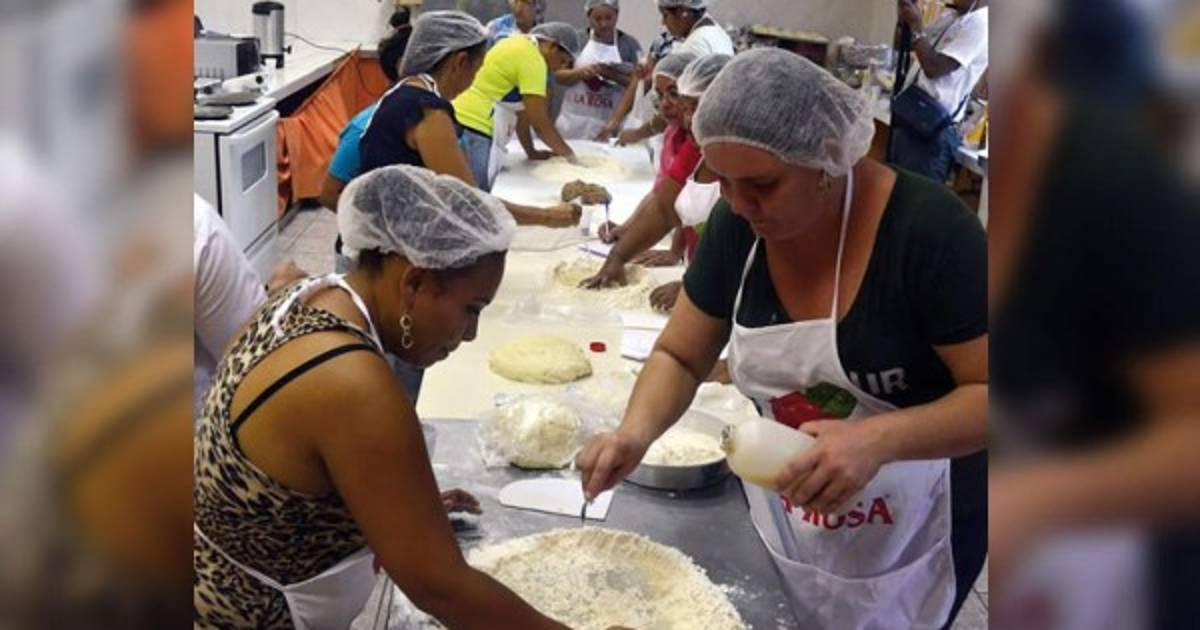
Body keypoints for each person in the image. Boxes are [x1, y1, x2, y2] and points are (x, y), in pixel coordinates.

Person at [576, 49, 988, 630]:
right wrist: (633, 433)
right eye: (723, 182)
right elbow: (680, 355)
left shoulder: (929, 233)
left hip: (914, 525)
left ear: (828, 158)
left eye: (763, 184)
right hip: (792, 514)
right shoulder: (738, 226)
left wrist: (877, 440)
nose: (740, 204)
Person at [194, 166, 614, 629]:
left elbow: (287, 479)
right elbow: (440, 586)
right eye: (471, 309)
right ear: (413, 284)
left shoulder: (304, 295)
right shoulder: (352, 382)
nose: (471, 334)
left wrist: (392, 503)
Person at [359, 11, 580, 228]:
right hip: (390, 241)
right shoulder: (430, 113)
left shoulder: (402, 91)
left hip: (377, 227)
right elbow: (469, 202)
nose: (475, 81)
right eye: (477, 71)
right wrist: (548, 217)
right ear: (460, 62)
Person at [582, 53, 730, 315]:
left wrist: (698, 285)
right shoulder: (697, 147)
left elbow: (749, 252)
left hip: (731, 299)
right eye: (686, 108)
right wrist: (618, 257)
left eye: (696, 108)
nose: (688, 120)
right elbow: (663, 208)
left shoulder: (748, 166)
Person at [453, 22, 581, 191]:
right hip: (476, 128)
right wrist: (571, 157)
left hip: (461, 120)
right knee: (475, 195)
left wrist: (531, 151)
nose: (559, 67)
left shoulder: (517, 44)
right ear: (552, 46)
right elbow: (540, 123)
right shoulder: (533, 60)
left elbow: (523, 115)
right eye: (563, 60)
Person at [889, 0, 988, 181]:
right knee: (894, 189)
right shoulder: (950, 17)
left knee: (915, 195)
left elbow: (934, 67)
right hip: (911, 115)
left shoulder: (981, 25)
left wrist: (916, 24)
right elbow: (902, 44)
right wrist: (904, 17)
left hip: (932, 132)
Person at [318, 23, 412, 212]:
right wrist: (368, 224)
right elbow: (329, 194)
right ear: (403, 66)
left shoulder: (434, 120)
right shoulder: (365, 128)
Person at [554, 0, 642, 140]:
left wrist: (610, 74)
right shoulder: (576, 40)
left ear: (617, 15)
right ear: (588, 17)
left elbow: (639, 84)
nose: (604, 24)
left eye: (609, 18)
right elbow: (558, 76)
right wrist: (580, 73)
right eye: (597, 19)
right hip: (573, 122)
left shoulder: (629, 45)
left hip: (609, 123)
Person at [657, 0, 733, 57]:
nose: (663, 22)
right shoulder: (715, 31)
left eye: (665, 15)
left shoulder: (694, 46)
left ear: (683, 12)